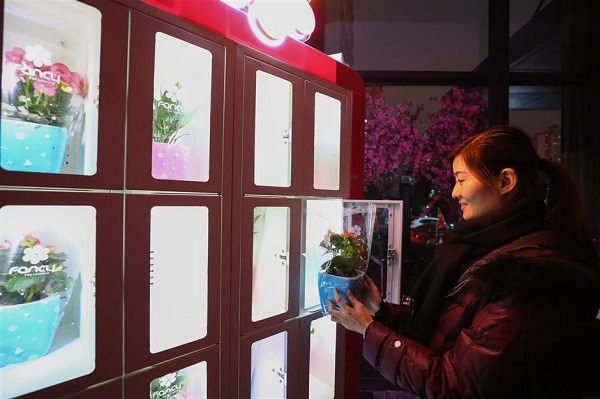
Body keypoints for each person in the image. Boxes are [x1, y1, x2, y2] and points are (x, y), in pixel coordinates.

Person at [329, 125, 600, 399]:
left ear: (506, 181)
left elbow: (456, 385)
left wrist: (369, 329)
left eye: (461, 179)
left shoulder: (532, 276)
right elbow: (449, 330)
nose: (455, 192)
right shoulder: (491, 248)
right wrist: (380, 311)